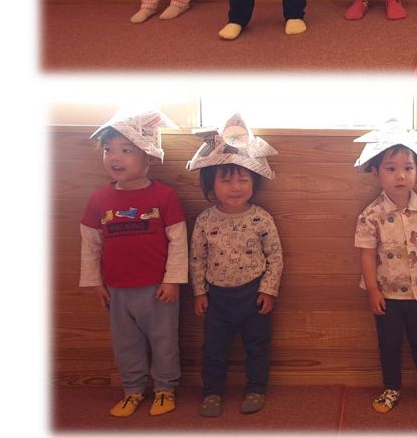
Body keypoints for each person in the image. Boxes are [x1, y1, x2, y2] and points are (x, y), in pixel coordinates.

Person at [79, 108, 187, 417]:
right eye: (108, 149)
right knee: (126, 345)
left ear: (148, 156)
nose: (115, 157)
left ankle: (165, 388)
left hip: (158, 290)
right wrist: (96, 283)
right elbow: (90, 244)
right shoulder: (98, 199)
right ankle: (133, 389)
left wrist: (172, 280)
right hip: (117, 290)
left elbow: (178, 241)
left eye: (126, 150)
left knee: (164, 341)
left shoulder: (165, 196)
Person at [186, 115, 284, 417]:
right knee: (214, 349)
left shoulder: (261, 218)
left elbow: (275, 257)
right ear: (211, 184)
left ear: (254, 182)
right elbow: (197, 258)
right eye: (226, 180)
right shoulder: (205, 220)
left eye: (243, 179)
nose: (235, 187)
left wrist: (268, 291)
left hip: (253, 295)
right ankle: (212, 392)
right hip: (217, 298)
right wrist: (200, 293)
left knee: (258, 346)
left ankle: (256, 388)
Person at [353, 121, 417, 416]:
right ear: (376, 172)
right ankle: (391, 387)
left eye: (408, 168)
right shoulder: (371, 215)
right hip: (388, 296)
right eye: (391, 168)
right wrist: (372, 290)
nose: (401, 175)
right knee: (389, 344)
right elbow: (367, 255)